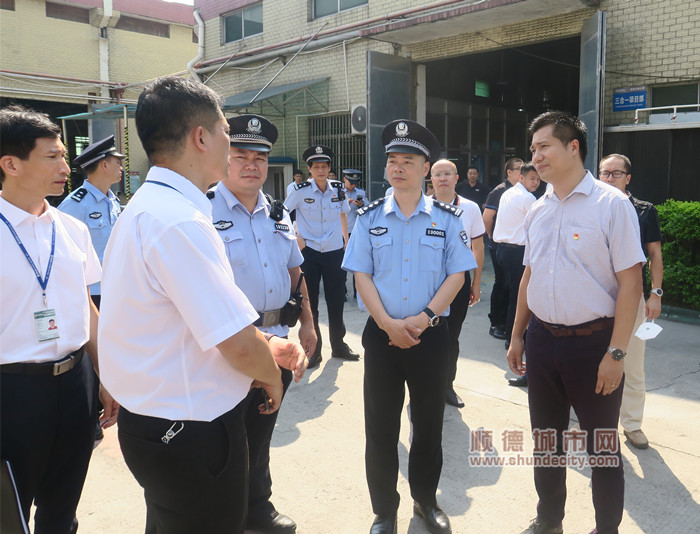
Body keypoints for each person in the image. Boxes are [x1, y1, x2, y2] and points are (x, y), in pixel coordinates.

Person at [98, 76, 305, 534]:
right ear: (200, 137)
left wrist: (268, 349)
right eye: (228, 134)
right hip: (189, 428)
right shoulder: (180, 222)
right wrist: (272, 374)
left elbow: (178, 325)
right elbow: (233, 341)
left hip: (160, 421)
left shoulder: (148, 207)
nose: (232, 147)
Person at [507, 112, 645, 534]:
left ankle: (607, 529)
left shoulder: (611, 205)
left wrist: (616, 353)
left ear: (573, 147)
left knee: (601, 449)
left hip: (594, 345)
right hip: (543, 343)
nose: (536, 157)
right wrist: (517, 336)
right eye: (533, 149)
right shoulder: (538, 209)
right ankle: (549, 519)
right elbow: (529, 274)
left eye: (544, 146)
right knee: (546, 443)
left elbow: (631, 282)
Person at [343, 120, 476, 534]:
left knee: (428, 426)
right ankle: (384, 511)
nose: (398, 168)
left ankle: (425, 501)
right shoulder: (367, 219)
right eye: (392, 161)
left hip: (430, 338)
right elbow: (360, 274)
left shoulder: (449, 218)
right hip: (382, 338)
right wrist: (385, 322)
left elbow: (458, 275)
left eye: (409, 161)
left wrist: (425, 318)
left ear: (426, 169)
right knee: (380, 429)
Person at [0, 105, 118, 533]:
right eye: (52, 156)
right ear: (11, 164)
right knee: (10, 512)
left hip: (75, 384)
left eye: (64, 155)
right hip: (12, 391)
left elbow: (86, 307)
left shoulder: (72, 229)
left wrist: (107, 375)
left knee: (62, 510)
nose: (65, 167)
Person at [208, 113, 315, 533]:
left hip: (279, 339)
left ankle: (258, 507)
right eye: (241, 155)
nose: (251, 164)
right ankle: (227, 514)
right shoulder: (203, 210)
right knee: (226, 442)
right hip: (229, 347)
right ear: (223, 158)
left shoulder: (276, 212)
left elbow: (295, 271)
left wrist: (308, 322)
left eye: (259, 157)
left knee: (262, 433)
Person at [599, 153, 664, 450]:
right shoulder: (592, 207)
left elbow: (654, 256)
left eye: (616, 173)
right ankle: (599, 421)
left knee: (632, 363)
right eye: (605, 173)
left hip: (633, 296)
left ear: (628, 177)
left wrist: (656, 292)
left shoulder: (643, 210)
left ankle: (633, 424)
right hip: (597, 295)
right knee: (594, 360)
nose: (609, 178)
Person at [284, 144, 359, 368]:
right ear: (309, 169)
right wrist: (295, 236)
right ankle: (314, 351)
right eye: (316, 166)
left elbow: (343, 213)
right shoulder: (299, 191)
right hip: (310, 253)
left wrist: (345, 241)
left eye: (324, 166)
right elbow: (282, 215)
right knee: (311, 302)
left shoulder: (338, 188)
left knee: (337, 300)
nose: (321, 170)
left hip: (334, 251)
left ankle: (339, 345)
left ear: (329, 168)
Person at [430, 159, 485, 408]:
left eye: (447, 174)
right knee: (424, 335)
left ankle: (446, 386)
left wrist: (475, 282)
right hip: (427, 282)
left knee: (452, 336)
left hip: (459, 282)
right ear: (430, 178)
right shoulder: (421, 207)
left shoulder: (471, 208)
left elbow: (478, 246)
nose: (442, 178)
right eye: (437, 174)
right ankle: (424, 384)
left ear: (456, 178)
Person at [58, 135, 124, 309]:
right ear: (104, 165)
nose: (122, 168)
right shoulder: (75, 204)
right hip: (91, 292)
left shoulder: (113, 202)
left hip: (115, 286)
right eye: (117, 162)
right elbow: (62, 251)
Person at [492, 162, 541, 387]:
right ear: (521, 177)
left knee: (506, 291)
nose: (535, 183)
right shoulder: (528, 199)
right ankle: (515, 338)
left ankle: (503, 329)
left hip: (501, 249)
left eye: (538, 180)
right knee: (518, 297)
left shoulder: (507, 193)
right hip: (516, 252)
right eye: (532, 179)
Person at [483, 157, 523, 340]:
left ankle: (508, 323)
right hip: (500, 246)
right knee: (502, 284)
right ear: (509, 172)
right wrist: (492, 237)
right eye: (519, 169)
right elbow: (487, 217)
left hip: (515, 247)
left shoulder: (522, 191)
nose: (523, 173)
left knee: (512, 286)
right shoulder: (500, 191)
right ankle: (496, 322)